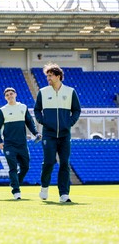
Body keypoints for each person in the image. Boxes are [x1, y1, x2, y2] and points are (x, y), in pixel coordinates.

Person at [34, 63, 81, 203]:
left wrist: (69, 123)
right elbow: (37, 110)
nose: (48, 78)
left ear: (58, 76)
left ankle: (64, 194)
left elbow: (77, 110)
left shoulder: (70, 91)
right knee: (49, 162)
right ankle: (44, 186)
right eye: (47, 76)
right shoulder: (43, 92)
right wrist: (42, 121)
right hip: (49, 134)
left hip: (65, 135)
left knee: (65, 164)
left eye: (50, 75)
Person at [0, 87, 42, 200]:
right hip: (9, 145)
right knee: (13, 168)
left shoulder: (23, 107)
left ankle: (15, 182)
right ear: (5, 98)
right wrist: (0, 141)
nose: (9, 96)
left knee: (25, 167)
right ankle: (16, 191)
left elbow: (30, 123)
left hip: (22, 144)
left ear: (15, 94)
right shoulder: (3, 110)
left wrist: (36, 133)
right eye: (7, 95)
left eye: (11, 94)